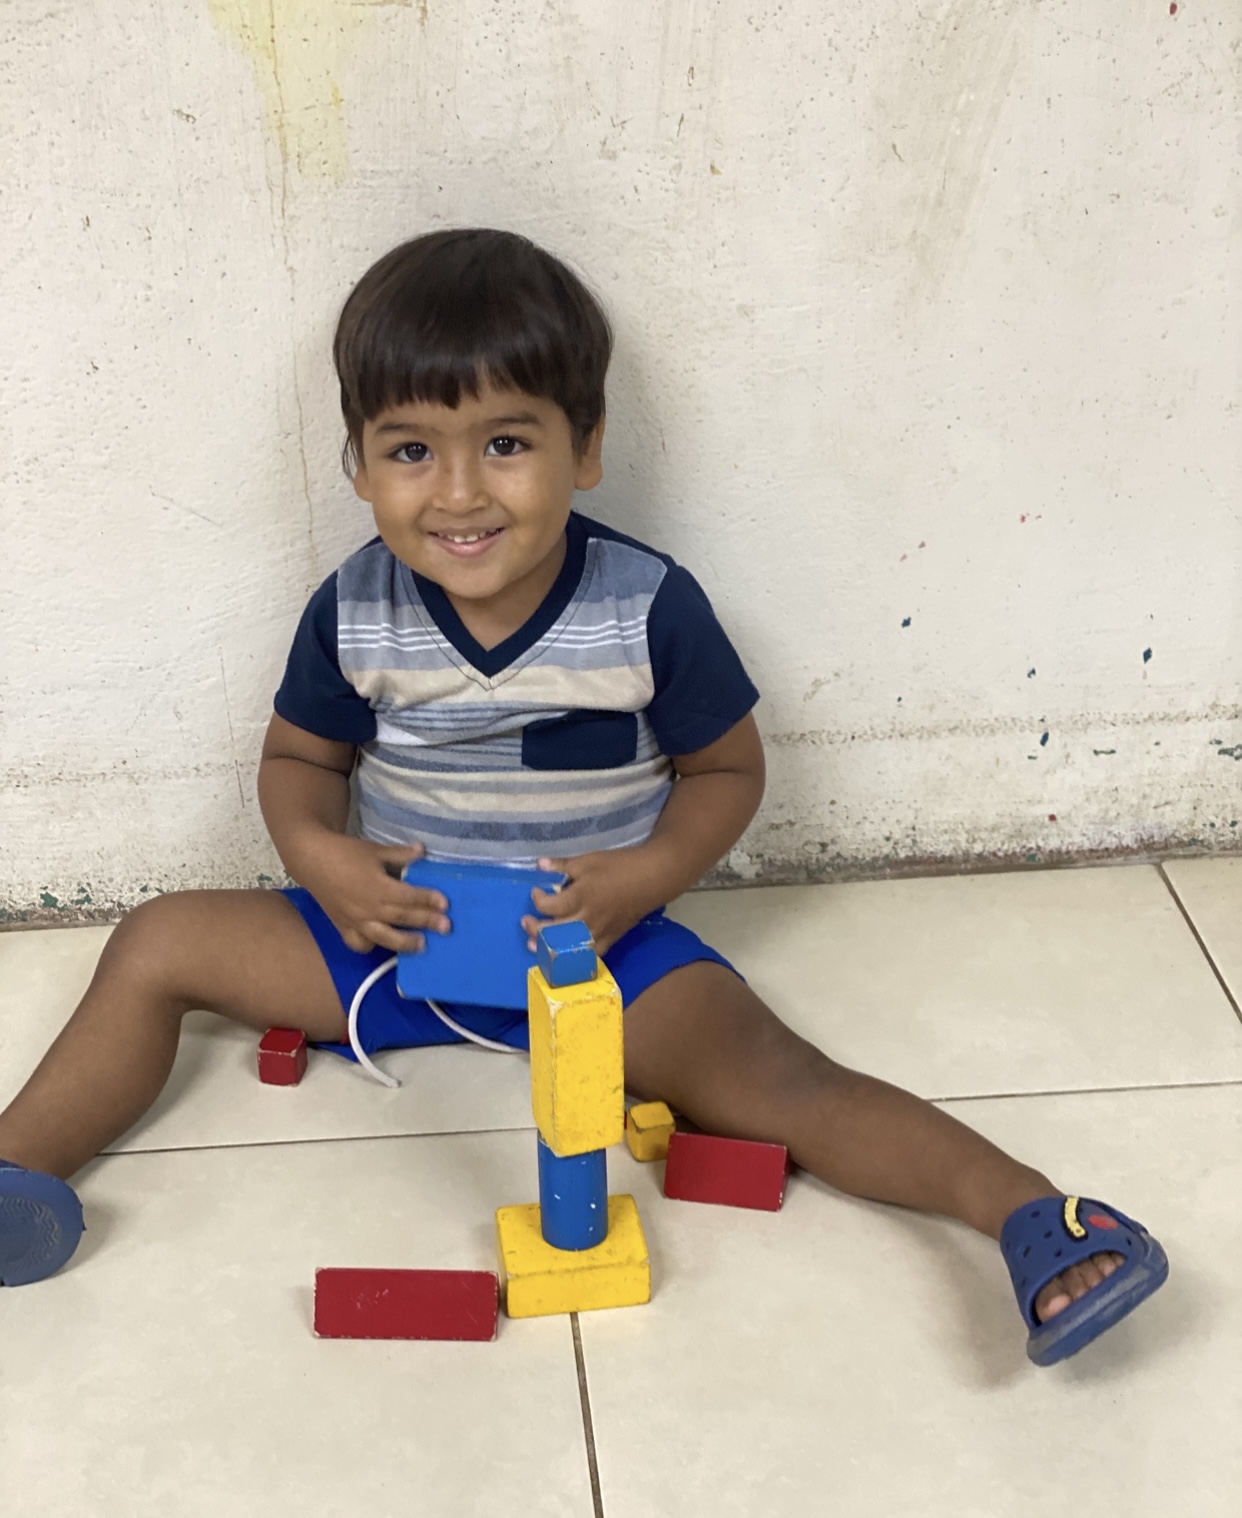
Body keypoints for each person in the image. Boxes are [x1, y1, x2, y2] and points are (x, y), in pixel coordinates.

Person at [0, 229, 1166, 1364]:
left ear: (587, 446)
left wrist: (642, 880)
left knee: (784, 1081)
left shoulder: (648, 606)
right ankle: (16, 1170)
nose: (460, 493)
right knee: (156, 941)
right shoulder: (352, 608)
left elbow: (727, 771)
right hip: (392, 941)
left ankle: (1030, 1210)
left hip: (596, 950)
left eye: (506, 442)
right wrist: (323, 861)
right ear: (356, 464)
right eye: (410, 451)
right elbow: (302, 762)